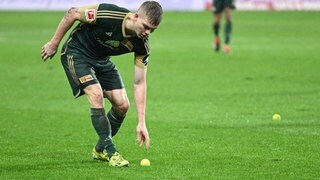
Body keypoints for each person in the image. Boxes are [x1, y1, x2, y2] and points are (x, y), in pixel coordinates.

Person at [41, 1, 163, 167]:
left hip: (101, 60)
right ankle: (111, 152)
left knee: (122, 105)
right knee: (96, 93)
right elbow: (72, 13)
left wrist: (141, 122)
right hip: (77, 53)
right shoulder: (108, 14)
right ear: (135, 17)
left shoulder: (142, 45)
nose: (147, 33)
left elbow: (140, 82)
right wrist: (53, 43)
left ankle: (99, 149)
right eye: (145, 26)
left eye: (152, 30)